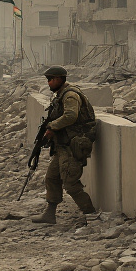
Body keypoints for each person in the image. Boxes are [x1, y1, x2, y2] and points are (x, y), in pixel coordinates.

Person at [32, 66, 98, 225]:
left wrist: (52, 127)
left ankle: (91, 214)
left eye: (51, 79)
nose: (48, 83)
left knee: (70, 182)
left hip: (72, 145)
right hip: (62, 145)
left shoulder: (70, 95)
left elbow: (71, 116)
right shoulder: (60, 96)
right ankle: (50, 214)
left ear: (60, 79)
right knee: (52, 178)